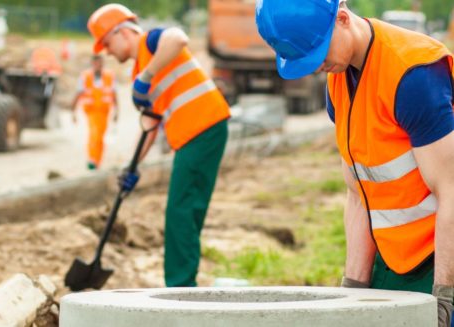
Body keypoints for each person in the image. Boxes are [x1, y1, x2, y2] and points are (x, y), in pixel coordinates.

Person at [256, 0, 454, 326]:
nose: (318, 66)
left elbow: (450, 190)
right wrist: (354, 287)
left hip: (442, 258)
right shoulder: (338, 80)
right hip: (396, 258)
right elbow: (358, 191)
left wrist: (445, 297)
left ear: (343, 18)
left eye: (320, 53)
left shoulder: (412, 75)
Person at [87, 4, 231, 287]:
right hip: (201, 131)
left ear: (124, 32)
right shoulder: (140, 70)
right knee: (188, 209)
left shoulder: (151, 43)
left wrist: (147, 76)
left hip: (202, 126)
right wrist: (133, 168)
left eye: (107, 43)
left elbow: (179, 38)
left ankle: (180, 287)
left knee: (180, 210)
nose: (107, 52)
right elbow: (150, 125)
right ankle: (184, 282)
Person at [73, 55, 118, 170]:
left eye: (101, 63)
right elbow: (78, 93)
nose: (99, 66)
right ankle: (92, 159)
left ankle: (97, 161)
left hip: (104, 111)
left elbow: (114, 94)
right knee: (94, 135)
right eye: (97, 63)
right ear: (93, 63)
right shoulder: (86, 76)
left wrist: (117, 111)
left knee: (100, 137)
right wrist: (73, 110)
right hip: (91, 111)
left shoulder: (109, 76)